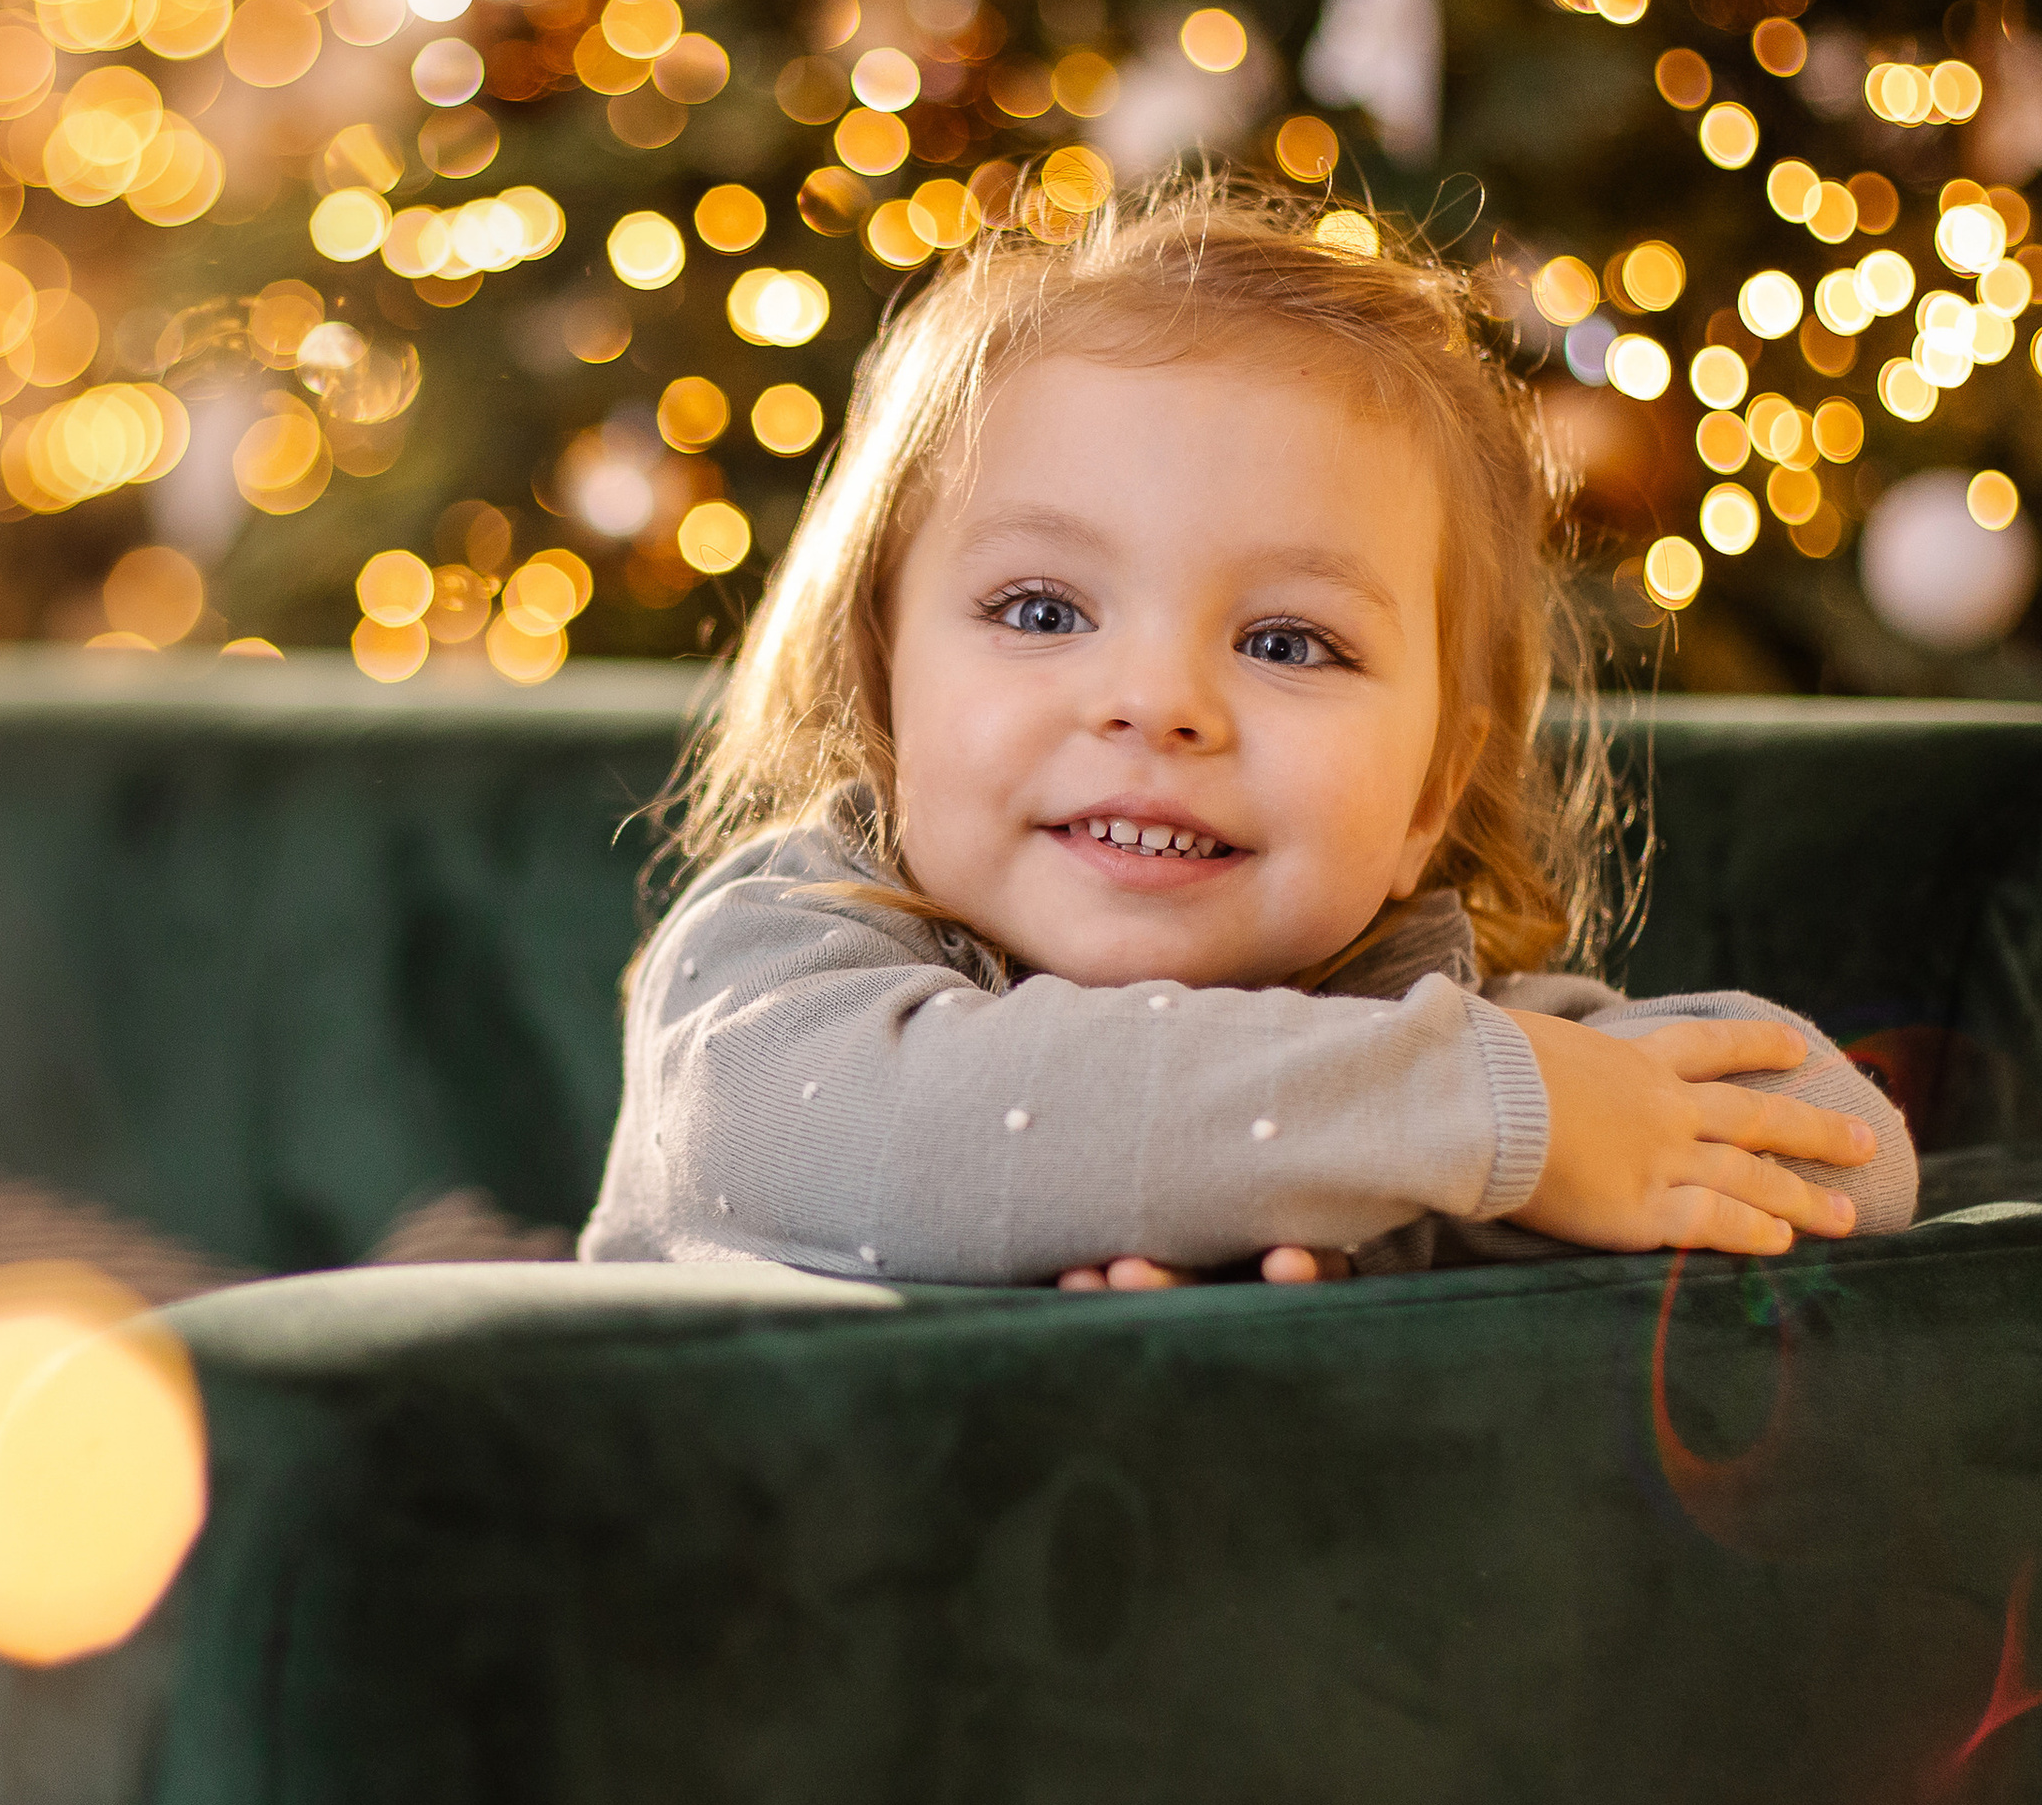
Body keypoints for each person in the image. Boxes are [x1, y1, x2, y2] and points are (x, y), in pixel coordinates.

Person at [580, 176, 1917, 1286]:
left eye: (1288, 643)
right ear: (880, 699)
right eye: (1043, 611)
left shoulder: (1418, 1016)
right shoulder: (774, 970)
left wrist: (1473, 1157)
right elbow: (890, 1145)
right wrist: (1466, 1129)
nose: (1157, 702)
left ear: (1428, 800)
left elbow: (1842, 1144)